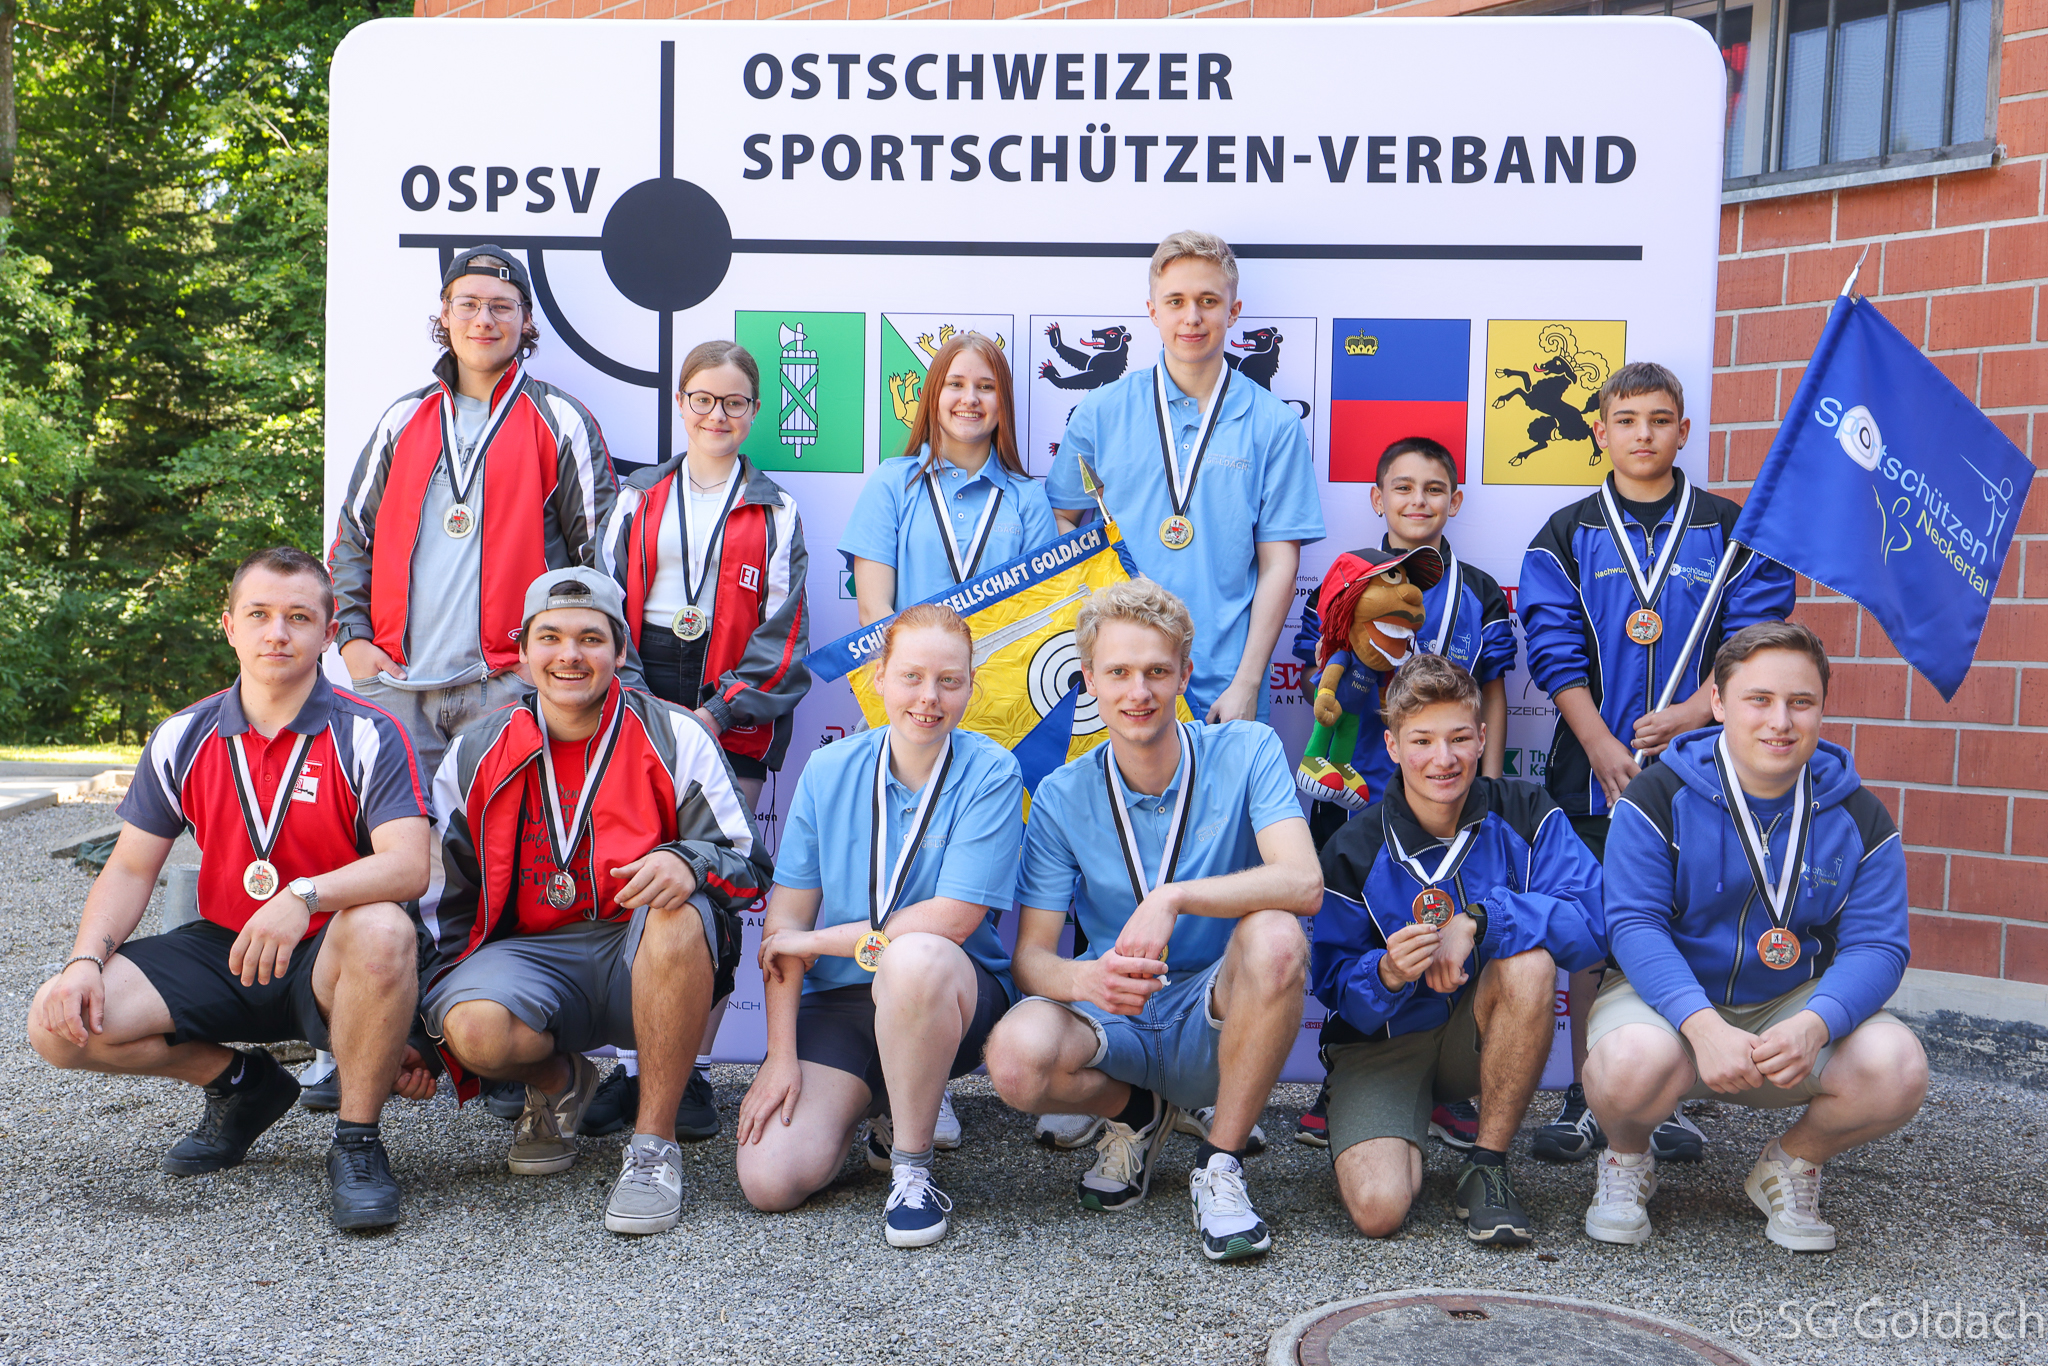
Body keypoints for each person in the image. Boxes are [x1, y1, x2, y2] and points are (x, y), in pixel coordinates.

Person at [26, 548, 435, 1230]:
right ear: (229, 627)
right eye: (260, 615)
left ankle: (357, 1143)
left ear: (328, 633)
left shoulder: (370, 732)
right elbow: (130, 868)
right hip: (223, 947)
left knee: (384, 927)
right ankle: (242, 1086)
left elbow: (407, 866)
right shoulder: (182, 735)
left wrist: (301, 896)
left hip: (327, 954)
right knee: (57, 1025)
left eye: (298, 617)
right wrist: (83, 962)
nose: (278, 633)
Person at [329, 245, 618, 1117]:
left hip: (503, 684)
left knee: (503, 865)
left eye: (501, 305)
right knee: (382, 866)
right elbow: (352, 539)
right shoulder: (403, 418)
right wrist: (352, 639)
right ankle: (362, 1035)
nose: (484, 318)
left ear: (526, 323)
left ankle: (493, 1050)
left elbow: (601, 559)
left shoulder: (560, 419)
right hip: (397, 686)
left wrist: (551, 664)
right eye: (468, 303)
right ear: (443, 317)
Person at [419, 569, 770, 1237]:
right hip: (531, 956)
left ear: (619, 650)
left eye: (590, 638)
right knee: (474, 1027)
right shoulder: (475, 751)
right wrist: (423, 1026)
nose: (570, 655)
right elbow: (443, 897)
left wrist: (688, 861)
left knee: (677, 914)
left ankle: (653, 1146)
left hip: (641, 949)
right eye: (550, 637)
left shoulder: (674, 734)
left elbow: (750, 866)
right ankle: (559, 1083)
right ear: (523, 652)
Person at [983, 580, 1322, 1262]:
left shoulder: (1248, 748)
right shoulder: (1060, 794)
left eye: (1157, 672)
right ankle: (1137, 1116)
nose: (1138, 692)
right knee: (1015, 1059)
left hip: (1215, 1014)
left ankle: (1221, 1165)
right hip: (1118, 1017)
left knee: (1278, 936)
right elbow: (1032, 959)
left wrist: (1173, 897)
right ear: (1088, 681)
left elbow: (1303, 882)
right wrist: (1088, 981)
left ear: (1185, 675)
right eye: (1118, 673)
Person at [1518, 361, 1793, 1165]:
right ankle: (1587, 1091)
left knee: (1681, 925)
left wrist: (1694, 712)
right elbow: (1553, 650)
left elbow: (1755, 645)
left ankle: (1666, 1092)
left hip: (1703, 771)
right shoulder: (1566, 533)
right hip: (1590, 771)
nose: (1643, 434)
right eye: (1627, 419)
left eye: (1660, 419)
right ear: (1599, 432)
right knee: (1595, 931)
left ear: (1683, 431)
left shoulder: (1731, 531)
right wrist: (1600, 743)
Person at [1582, 622, 1925, 1252]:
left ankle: (1790, 1163)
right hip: (1666, 1009)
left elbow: (1879, 945)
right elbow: (1634, 924)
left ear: (1822, 707)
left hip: (1788, 1008)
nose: (1781, 722)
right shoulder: (1656, 796)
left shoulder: (1860, 814)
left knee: (1897, 1067)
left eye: (1801, 702)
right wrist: (1701, 1025)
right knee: (1629, 1063)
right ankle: (1627, 1157)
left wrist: (1817, 1022)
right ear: (1717, 702)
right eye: (1759, 699)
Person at [735, 604, 1024, 1248]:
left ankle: (912, 1169)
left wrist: (819, 941)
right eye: (912, 676)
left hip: (947, 991)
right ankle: (880, 1101)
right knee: (770, 1180)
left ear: (971, 686)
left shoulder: (992, 772)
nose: (929, 698)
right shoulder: (828, 770)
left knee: (913, 957)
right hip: (843, 998)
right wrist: (780, 1057)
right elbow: (783, 928)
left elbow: (952, 919)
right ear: (880, 677)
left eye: (949, 681)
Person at [595, 338, 811, 1142]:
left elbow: (784, 636)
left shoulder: (776, 509)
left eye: (734, 402)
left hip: (732, 709)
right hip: (641, 690)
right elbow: (605, 607)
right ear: (680, 404)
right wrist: (639, 701)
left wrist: (717, 714)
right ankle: (634, 1068)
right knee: (639, 879)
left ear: (754, 412)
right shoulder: (636, 496)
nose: (718, 414)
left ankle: (692, 1074)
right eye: (703, 399)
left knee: (713, 887)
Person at [1313, 654, 1605, 1245]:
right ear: (1393, 746)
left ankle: (1487, 1165)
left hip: (1474, 1036)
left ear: (1482, 740)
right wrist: (1385, 972)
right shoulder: (1353, 847)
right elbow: (1332, 987)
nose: (1442, 759)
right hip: (1384, 1049)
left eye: (1459, 738)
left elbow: (1593, 922)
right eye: (1422, 741)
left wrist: (1482, 920)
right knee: (1379, 1212)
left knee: (1530, 961)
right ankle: (1392, 1121)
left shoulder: (1526, 810)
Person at [1288, 436, 1518, 1149]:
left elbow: (1492, 689)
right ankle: (1343, 1072)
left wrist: (1489, 780)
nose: (1418, 501)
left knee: (1453, 921)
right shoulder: (1347, 575)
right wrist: (1343, 682)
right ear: (1377, 498)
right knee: (1354, 936)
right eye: (1403, 487)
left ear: (1456, 501)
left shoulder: (1480, 590)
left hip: (1450, 793)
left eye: (1434, 489)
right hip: (1355, 791)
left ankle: (1448, 1087)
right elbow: (1317, 673)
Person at [1047, 230, 1324, 725]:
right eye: (1175, 301)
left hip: (1224, 689)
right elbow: (1061, 516)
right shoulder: (1101, 412)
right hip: (1123, 684)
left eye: (1208, 301)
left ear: (1233, 311)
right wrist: (1102, 597)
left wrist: (1247, 683)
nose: (1191, 317)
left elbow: (1280, 564)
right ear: (1153, 311)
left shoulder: (1274, 424)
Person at [845, 330, 1059, 623]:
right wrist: (928, 654)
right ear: (933, 395)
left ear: (1003, 403)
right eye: (955, 384)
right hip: (907, 655)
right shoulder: (891, 483)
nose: (970, 398)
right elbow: (873, 612)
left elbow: (1040, 617)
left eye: (986, 387)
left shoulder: (1029, 498)